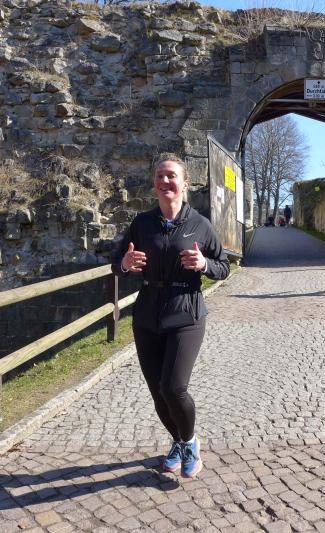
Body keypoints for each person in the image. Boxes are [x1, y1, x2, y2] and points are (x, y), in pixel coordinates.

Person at [112, 154, 229, 479]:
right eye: (160, 176)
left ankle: (190, 443)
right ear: (154, 183)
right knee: (157, 391)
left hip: (186, 311)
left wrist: (204, 265)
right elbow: (116, 262)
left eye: (172, 176)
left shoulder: (200, 224)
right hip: (148, 313)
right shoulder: (141, 223)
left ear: (184, 183)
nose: (165, 181)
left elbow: (223, 267)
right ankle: (177, 441)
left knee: (173, 387)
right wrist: (125, 264)